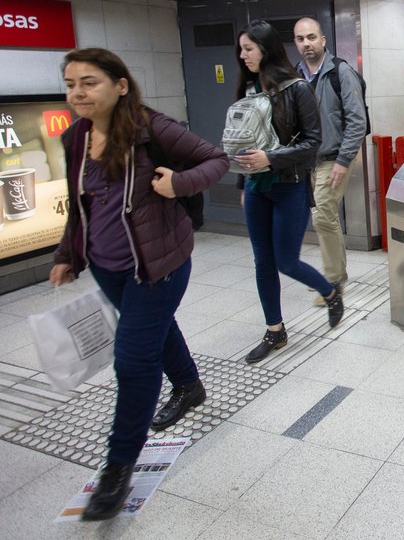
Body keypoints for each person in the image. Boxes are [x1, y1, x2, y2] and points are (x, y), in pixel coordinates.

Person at [51, 48, 228, 520]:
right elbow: (79, 205)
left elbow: (216, 160)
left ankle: (118, 466)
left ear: (120, 85)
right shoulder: (75, 139)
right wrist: (68, 254)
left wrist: (180, 184)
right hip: (108, 266)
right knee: (152, 329)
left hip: (160, 263)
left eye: (89, 82)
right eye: (70, 84)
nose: (78, 93)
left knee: (133, 359)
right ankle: (190, 386)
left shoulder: (153, 129)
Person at [234, 20, 343, 365]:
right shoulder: (250, 88)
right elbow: (242, 140)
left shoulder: (297, 89)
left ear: (265, 49)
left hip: (290, 186)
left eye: (248, 48)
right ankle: (275, 330)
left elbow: (312, 145)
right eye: (241, 49)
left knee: (285, 260)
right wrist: (242, 181)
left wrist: (271, 157)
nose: (243, 55)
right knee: (262, 262)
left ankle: (329, 291)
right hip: (257, 187)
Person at [293, 18, 367, 307]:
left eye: (311, 37)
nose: (306, 43)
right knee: (327, 215)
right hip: (307, 161)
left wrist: (343, 160)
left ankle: (332, 283)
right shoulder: (297, 75)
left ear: (323, 40)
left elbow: (357, 121)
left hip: (334, 157)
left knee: (322, 215)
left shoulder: (340, 72)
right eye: (300, 39)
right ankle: (339, 273)